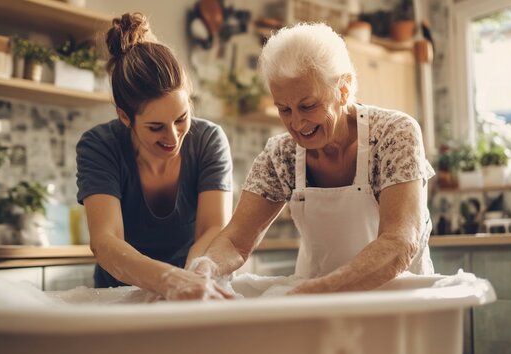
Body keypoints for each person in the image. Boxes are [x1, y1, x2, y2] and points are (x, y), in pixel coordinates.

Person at [186, 23, 436, 296]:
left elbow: (399, 242)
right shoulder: (281, 154)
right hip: (317, 302)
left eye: (308, 106)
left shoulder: (394, 134)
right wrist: (206, 267)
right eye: (284, 109)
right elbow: (235, 242)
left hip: (396, 299)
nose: (296, 123)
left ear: (343, 89)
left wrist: (315, 292)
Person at [76, 13, 233, 299]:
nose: (173, 137)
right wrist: (169, 281)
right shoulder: (99, 145)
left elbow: (213, 228)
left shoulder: (209, 140)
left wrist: (193, 278)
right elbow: (105, 241)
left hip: (192, 287)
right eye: (155, 127)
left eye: (181, 119)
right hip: (118, 298)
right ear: (125, 117)